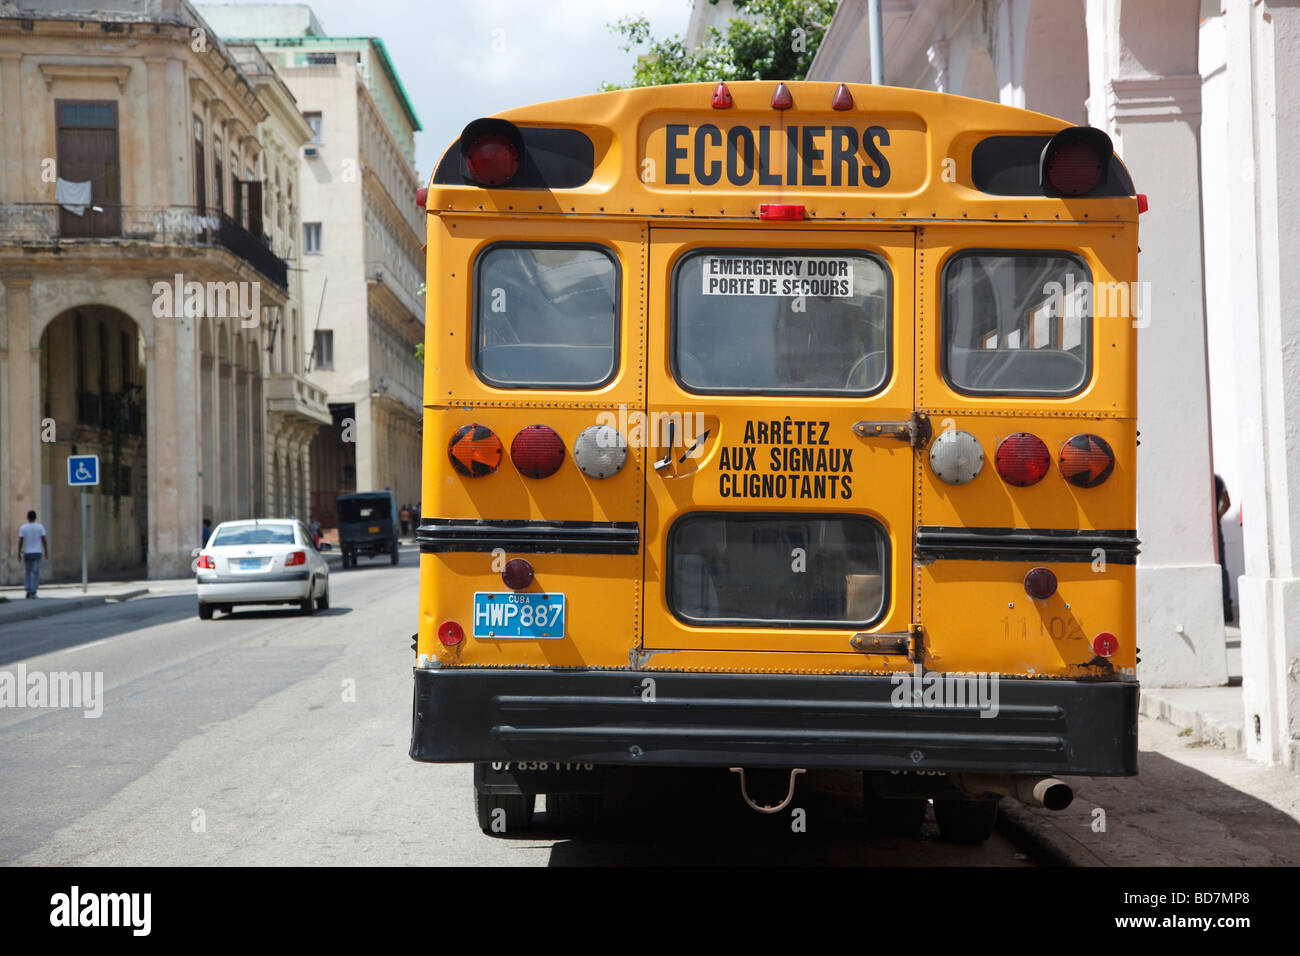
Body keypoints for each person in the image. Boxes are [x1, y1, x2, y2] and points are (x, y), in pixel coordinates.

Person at [17, 509, 49, 599]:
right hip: (38, 552)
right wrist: (46, 551)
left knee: (28, 571)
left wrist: (18, 552)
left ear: (27, 517)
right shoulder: (40, 527)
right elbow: (44, 539)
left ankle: (28, 589)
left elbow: (20, 541)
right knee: (36, 572)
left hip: (28, 552)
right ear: (35, 517)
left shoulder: (23, 527)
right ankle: (33, 591)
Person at [1215, 474, 1234, 622]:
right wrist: (1218, 516)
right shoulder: (1219, 480)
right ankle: (1226, 604)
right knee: (1221, 565)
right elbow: (1227, 503)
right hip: (1216, 527)